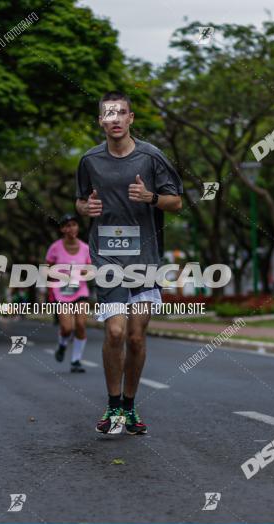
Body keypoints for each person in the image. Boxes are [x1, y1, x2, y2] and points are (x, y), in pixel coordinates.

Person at [75, 91, 183, 435]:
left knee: (136, 338)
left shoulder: (152, 157)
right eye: (109, 114)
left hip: (145, 256)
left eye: (121, 113)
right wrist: (85, 209)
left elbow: (177, 202)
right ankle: (112, 405)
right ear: (101, 122)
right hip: (107, 255)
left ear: (131, 118)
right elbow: (80, 202)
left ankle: (131, 407)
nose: (116, 119)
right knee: (117, 331)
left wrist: (150, 197)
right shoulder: (89, 160)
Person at [47, 213, 92, 373]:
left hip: (80, 290)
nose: (71, 228)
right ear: (62, 229)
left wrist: (83, 274)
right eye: (67, 225)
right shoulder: (55, 248)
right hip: (61, 291)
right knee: (67, 328)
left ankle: (76, 361)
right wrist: (50, 291)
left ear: (78, 227)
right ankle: (62, 345)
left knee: (80, 325)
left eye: (74, 224)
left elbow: (89, 270)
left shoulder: (86, 248)